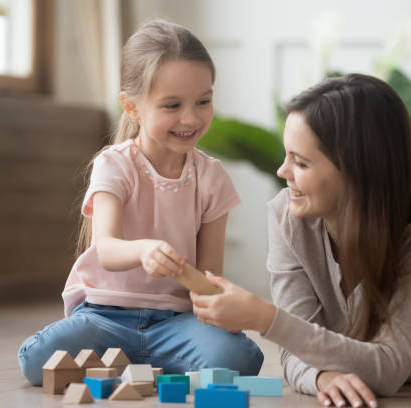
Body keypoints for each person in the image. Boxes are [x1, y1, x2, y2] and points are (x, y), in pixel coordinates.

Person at [191, 74, 411, 408]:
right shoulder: (286, 215)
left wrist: (264, 318)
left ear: (357, 171)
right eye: (286, 155)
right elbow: (294, 351)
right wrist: (321, 377)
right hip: (348, 340)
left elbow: (388, 369)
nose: (282, 171)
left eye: (300, 162)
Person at [18, 19, 263, 386]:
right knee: (37, 362)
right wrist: (144, 250)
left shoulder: (212, 178)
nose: (190, 118)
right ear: (132, 107)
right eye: (171, 105)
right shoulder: (114, 165)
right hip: (105, 316)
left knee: (239, 359)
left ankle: (136, 365)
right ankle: (144, 364)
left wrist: (222, 302)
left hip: (178, 322)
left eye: (203, 101)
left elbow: (210, 278)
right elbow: (108, 250)